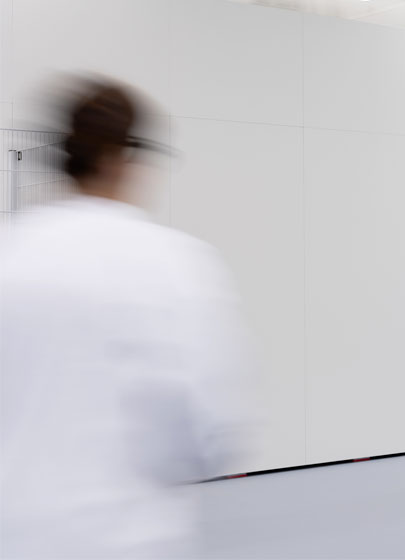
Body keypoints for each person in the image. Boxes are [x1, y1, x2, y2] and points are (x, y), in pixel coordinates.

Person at [0, 79, 252, 557]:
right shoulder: (176, 266)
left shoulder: (10, 253)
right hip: (123, 538)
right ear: (123, 157)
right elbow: (209, 435)